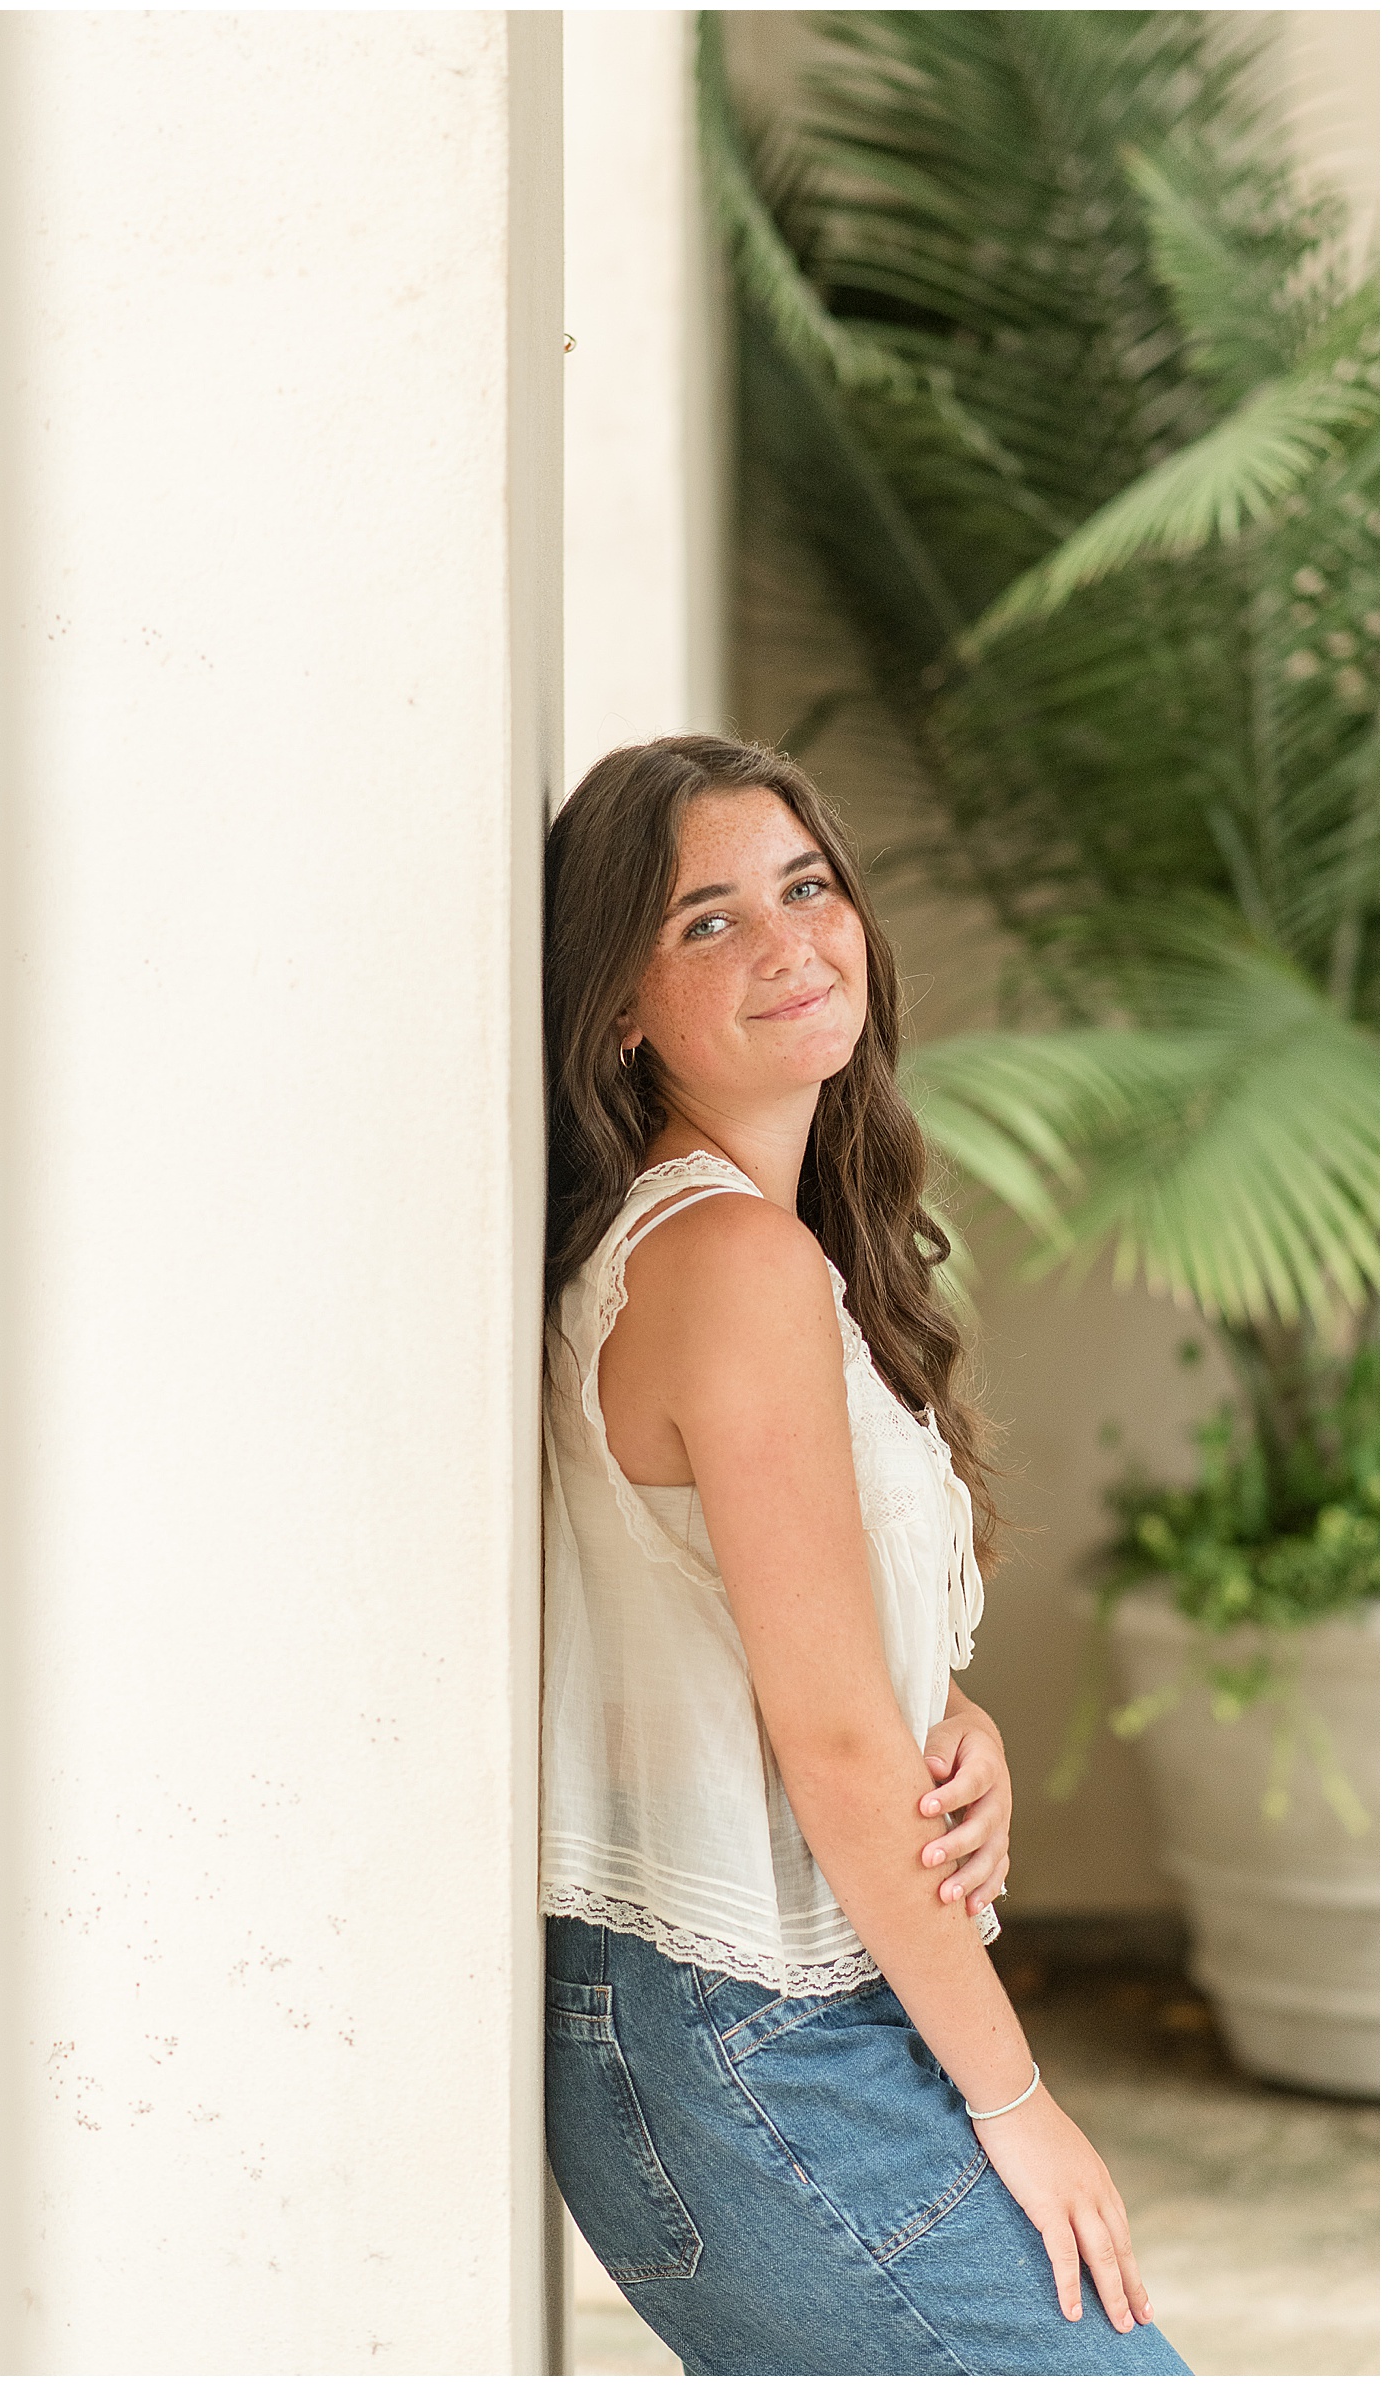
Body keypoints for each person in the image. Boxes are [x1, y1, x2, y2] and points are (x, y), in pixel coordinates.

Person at [540, 735, 1190, 2378]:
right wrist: (1020, 2104)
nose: (787, 942)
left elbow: (760, 1640)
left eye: (806, 886)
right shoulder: (725, 1260)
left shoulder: (734, 1244)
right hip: (758, 2029)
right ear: (616, 1005)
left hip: (732, 2016)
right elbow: (824, 1741)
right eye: (706, 921)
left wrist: (941, 1709)